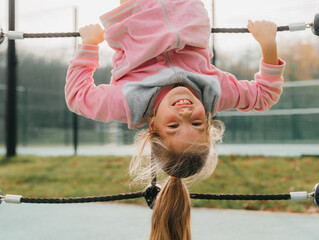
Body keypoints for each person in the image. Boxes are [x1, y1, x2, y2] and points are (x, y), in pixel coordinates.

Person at [65, 0, 285, 239]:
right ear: (209, 121)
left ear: (153, 126)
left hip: (137, 12)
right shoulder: (216, 92)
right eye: (197, 124)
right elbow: (265, 94)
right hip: (183, 6)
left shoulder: (128, 103)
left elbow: (77, 97)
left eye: (173, 126)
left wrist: (88, 46)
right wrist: (268, 45)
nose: (186, 114)